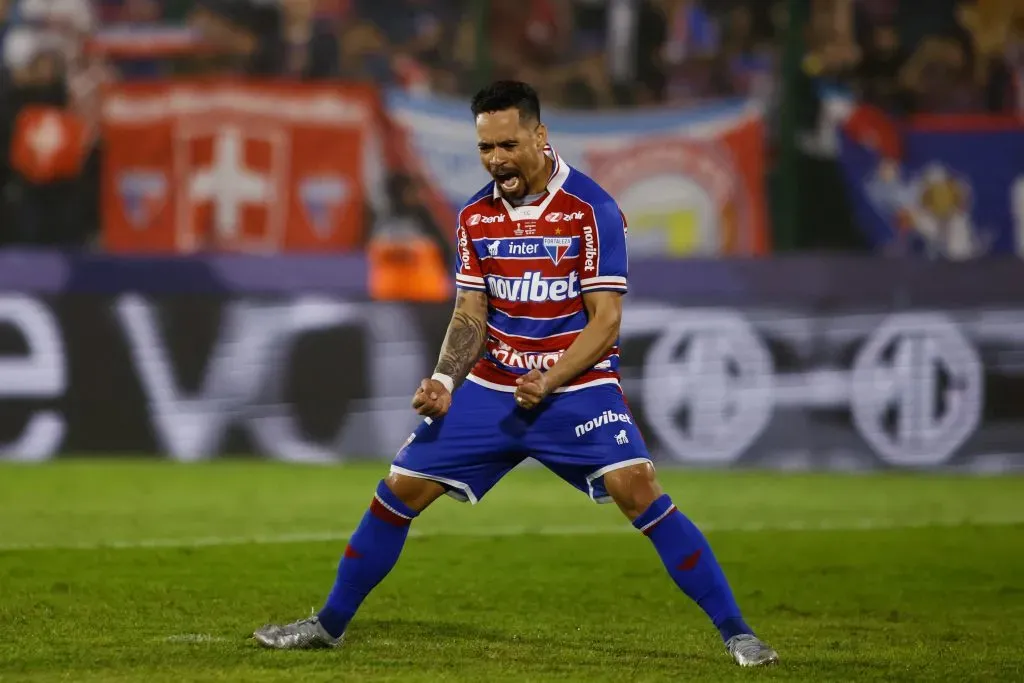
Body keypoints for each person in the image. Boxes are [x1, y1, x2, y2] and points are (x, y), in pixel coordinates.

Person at [253, 80, 779, 668]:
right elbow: (470, 311)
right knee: (398, 491)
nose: (497, 159)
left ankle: (738, 634)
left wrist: (551, 379)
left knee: (638, 489)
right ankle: (328, 624)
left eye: (508, 144)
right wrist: (444, 382)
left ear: (540, 135)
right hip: (495, 388)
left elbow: (605, 322)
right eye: (486, 147)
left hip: (575, 388)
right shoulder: (475, 217)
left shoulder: (591, 210)